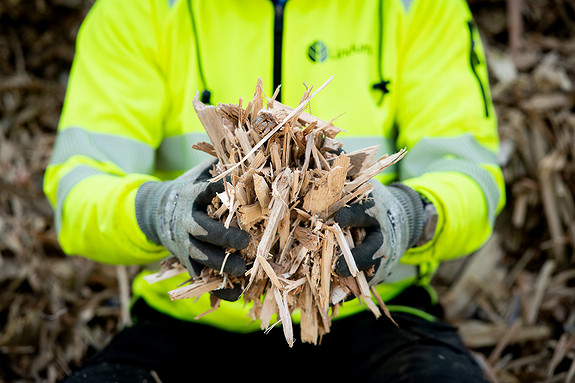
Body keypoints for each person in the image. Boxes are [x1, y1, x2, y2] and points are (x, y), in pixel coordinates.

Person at [44, 0, 505, 381]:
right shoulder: (138, 10)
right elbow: (77, 190)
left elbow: (472, 178)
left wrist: (410, 215)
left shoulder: (418, 7)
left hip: (375, 320)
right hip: (192, 324)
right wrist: (155, 211)